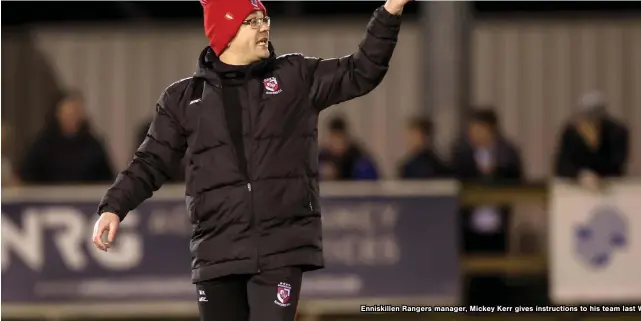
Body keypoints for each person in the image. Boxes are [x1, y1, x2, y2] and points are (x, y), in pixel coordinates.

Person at [92, 0, 410, 320]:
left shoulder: (295, 77)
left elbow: (361, 71)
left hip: (280, 250)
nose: (264, 27)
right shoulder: (182, 99)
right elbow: (150, 162)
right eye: (253, 21)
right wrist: (113, 207)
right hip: (217, 251)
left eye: (264, 18)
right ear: (227, 31)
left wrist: (391, 9)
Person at [450, 108, 524, 253]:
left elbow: (516, 178)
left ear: (488, 129)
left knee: (496, 262)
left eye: (476, 128)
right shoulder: (461, 152)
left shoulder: (507, 152)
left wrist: (496, 171)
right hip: (469, 221)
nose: (472, 133)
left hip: (497, 219)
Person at [19, 91, 114, 184]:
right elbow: (26, 177)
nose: (71, 118)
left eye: (75, 113)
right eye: (67, 113)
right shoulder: (41, 145)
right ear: (57, 114)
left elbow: (106, 180)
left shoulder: (93, 146)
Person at [554, 91, 630, 191]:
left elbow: (617, 165)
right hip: (576, 186)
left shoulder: (616, 133)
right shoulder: (571, 133)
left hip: (608, 186)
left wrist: (595, 145)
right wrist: (580, 175)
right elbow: (561, 166)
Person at [318, 116, 380, 180]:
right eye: (333, 139)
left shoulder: (359, 160)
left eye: (339, 138)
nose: (336, 144)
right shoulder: (322, 158)